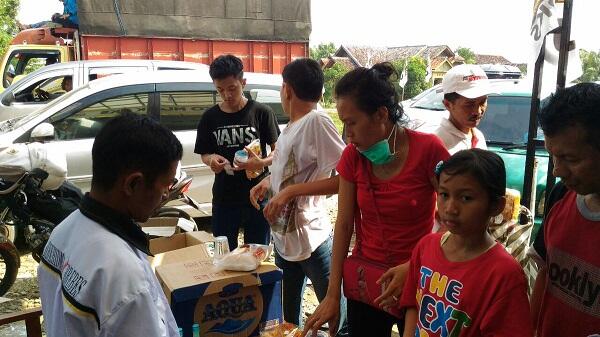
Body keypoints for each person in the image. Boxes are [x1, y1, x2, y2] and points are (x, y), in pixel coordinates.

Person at [303, 62, 450, 337]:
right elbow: (344, 224)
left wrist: (416, 266)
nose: (348, 135)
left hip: (418, 280)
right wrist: (333, 295)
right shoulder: (353, 157)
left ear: (381, 114)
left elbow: (453, 221)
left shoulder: (428, 150)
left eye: (352, 123)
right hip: (367, 283)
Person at [37, 113, 183, 337]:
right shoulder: (125, 277)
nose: (166, 195)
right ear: (133, 184)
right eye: (166, 185)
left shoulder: (63, 231)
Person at [249, 58, 347, 334]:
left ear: (287, 89)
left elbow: (347, 180)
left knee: (336, 315)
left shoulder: (316, 121)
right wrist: (268, 183)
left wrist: (290, 191)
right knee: (289, 317)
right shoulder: (292, 126)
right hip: (285, 239)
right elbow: (293, 168)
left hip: (312, 239)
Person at [399, 149, 533, 336]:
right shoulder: (425, 247)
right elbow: (413, 304)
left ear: (495, 206)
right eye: (444, 194)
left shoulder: (504, 274)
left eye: (466, 198)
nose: (450, 208)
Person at [529, 83, 600, 336]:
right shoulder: (561, 196)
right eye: (552, 156)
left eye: (571, 159)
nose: (557, 171)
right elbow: (546, 272)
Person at [195, 54, 279, 251]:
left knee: (257, 253)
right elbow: (205, 153)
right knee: (224, 254)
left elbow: (279, 153)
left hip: (258, 194)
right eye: (220, 90)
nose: (227, 95)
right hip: (225, 197)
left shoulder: (261, 112)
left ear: (243, 82)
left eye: (232, 88)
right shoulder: (210, 117)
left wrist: (260, 163)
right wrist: (212, 160)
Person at [434, 64, 494, 154]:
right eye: (469, 104)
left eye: (482, 102)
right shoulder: (437, 144)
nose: (478, 111)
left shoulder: (478, 136)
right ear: (448, 105)